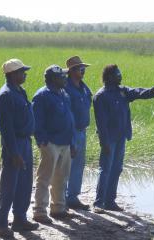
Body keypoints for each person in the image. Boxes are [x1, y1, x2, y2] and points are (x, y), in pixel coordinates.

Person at [93, 64, 154, 213]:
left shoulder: (122, 91)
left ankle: (110, 201)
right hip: (109, 139)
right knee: (105, 169)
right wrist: (104, 142)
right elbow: (101, 123)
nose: (120, 76)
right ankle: (99, 203)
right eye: (117, 74)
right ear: (109, 77)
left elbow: (138, 92)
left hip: (121, 137)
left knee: (117, 169)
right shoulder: (101, 96)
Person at [0, 59, 39, 238]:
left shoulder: (20, 91)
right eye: (22, 71)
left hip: (25, 142)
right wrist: (14, 152)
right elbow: (6, 128)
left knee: (25, 183)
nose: (25, 74)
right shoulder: (5, 95)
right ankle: (0, 223)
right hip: (14, 144)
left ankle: (20, 219)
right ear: (12, 74)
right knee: (9, 185)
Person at [32, 64, 75, 224]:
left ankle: (58, 208)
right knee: (44, 177)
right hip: (50, 143)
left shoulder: (64, 93)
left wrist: (72, 142)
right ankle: (39, 211)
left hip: (65, 142)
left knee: (62, 177)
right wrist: (43, 142)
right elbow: (37, 122)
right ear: (53, 79)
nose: (65, 78)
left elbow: (70, 120)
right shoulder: (42, 95)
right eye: (62, 76)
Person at [65, 56, 92, 211]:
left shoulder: (83, 86)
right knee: (67, 165)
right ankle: (62, 198)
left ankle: (73, 197)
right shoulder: (66, 87)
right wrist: (71, 137)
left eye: (83, 68)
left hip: (82, 131)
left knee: (79, 165)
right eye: (80, 68)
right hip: (71, 131)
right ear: (71, 71)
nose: (83, 70)